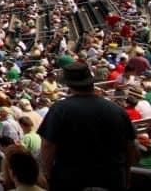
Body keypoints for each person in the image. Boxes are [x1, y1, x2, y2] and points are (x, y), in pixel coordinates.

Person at [38, 62, 136, 190]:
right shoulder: (117, 110)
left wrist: (47, 174)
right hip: (112, 178)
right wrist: (126, 174)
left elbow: (48, 145)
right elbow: (129, 145)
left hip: (72, 179)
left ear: (69, 84)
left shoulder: (60, 109)